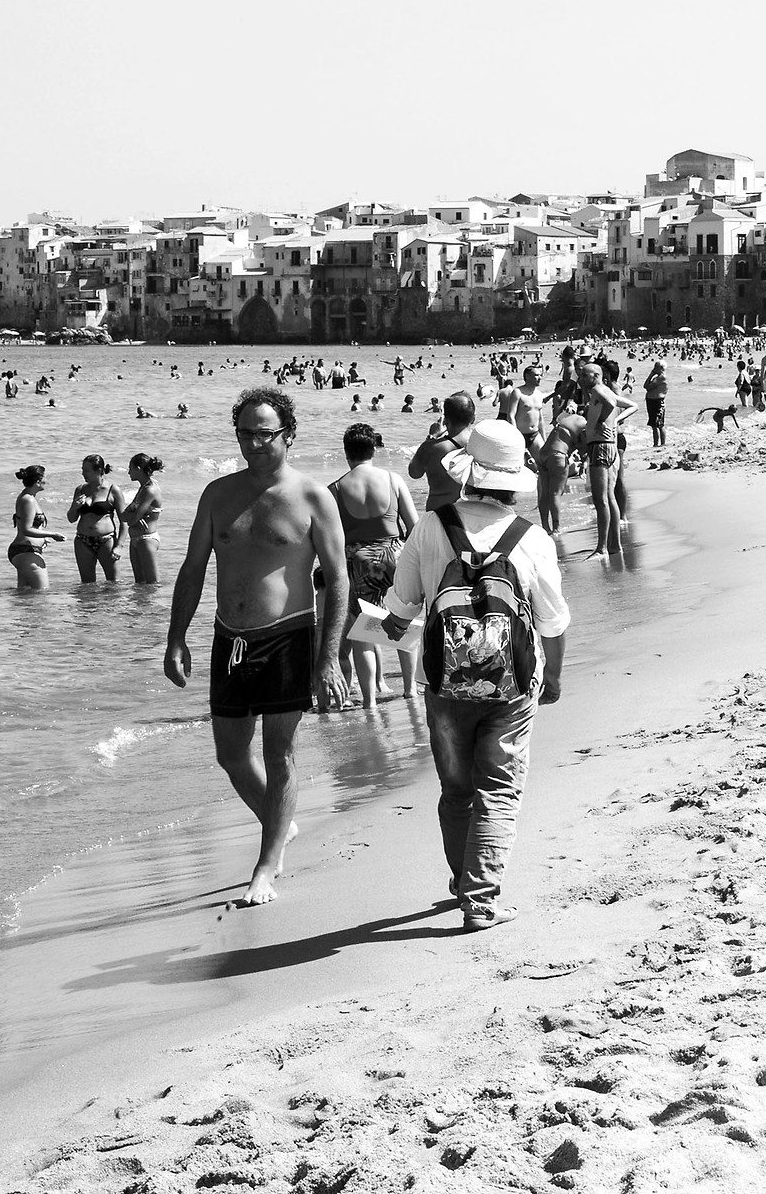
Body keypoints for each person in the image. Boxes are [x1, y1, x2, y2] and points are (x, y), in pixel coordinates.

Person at [163, 388, 350, 907]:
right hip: (230, 639)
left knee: (280, 751)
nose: (254, 442)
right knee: (230, 754)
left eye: (265, 433)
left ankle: (266, 867)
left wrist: (328, 658)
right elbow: (193, 568)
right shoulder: (217, 495)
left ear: (288, 434)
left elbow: (338, 581)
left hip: (288, 635)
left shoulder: (313, 497)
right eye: (245, 432)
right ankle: (278, 820)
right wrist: (176, 637)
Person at [381, 420, 569, 932]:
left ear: (467, 476)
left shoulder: (429, 526)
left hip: (443, 684)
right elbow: (552, 621)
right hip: (512, 684)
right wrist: (551, 677)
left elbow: (400, 607)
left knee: (457, 789)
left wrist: (391, 622)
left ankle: (464, 879)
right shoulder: (532, 539)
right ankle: (480, 899)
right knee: (500, 789)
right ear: (514, 482)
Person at [329, 423, 417, 707]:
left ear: (346, 452)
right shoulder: (393, 480)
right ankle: (410, 690)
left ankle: (368, 702)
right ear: (374, 449)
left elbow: (331, 537)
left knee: (362, 633)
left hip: (357, 561)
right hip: (394, 553)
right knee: (402, 623)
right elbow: (414, 525)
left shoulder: (336, 488)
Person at [576, 361, 635, 557]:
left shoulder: (599, 391)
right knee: (608, 497)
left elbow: (611, 405)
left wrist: (602, 420)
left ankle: (602, 548)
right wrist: (616, 421)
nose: (581, 378)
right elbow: (633, 405)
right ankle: (614, 545)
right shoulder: (606, 390)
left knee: (600, 499)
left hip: (601, 446)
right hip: (607, 445)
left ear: (596, 376)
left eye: (585, 375)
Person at [412, 391, 476, 511]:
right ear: (473, 418)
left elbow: (414, 473)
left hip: (439, 517)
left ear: (445, 420)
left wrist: (431, 437)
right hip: (474, 515)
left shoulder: (431, 448)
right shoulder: (483, 445)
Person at [67, 454, 123, 583]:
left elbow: (123, 521)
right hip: (83, 540)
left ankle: (112, 604)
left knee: (114, 584)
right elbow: (71, 518)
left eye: (86, 470)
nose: (83, 474)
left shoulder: (113, 490)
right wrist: (75, 506)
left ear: (98, 471)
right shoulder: (80, 489)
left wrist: (119, 546)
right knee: (87, 585)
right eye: (82, 470)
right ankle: (90, 604)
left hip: (106, 540)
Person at [8, 465, 63, 590]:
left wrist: (43, 539)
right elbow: (26, 529)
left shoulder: (28, 497)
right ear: (38, 481)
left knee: (25, 596)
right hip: (26, 551)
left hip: (24, 551)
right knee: (42, 593)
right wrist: (52, 534)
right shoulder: (28, 499)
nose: (47, 481)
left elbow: (31, 526)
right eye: (45, 478)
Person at [537, 408, 585, 532]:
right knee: (555, 493)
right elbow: (583, 448)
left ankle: (545, 527)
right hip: (558, 456)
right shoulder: (584, 424)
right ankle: (556, 529)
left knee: (545, 493)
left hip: (542, 454)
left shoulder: (567, 419)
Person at [122, 453, 165, 584]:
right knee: (139, 585)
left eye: (130, 468)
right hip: (135, 539)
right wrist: (135, 517)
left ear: (139, 469)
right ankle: (142, 605)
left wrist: (134, 517)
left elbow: (132, 519)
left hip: (147, 539)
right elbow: (124, 516)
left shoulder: (150, 490)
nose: (129, 472)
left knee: (152, 584)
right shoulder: (143, 488)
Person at [644, 360, 669, 446]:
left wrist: (651, 374)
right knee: (653, 424)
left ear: (661, 368)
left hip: (657, 402)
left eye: (656, 367)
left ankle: (662, 444)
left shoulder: (661, 377)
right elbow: (645, 385)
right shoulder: (657, 377)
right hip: (652, 401)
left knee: (659, 424)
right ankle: (656, 444)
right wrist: (652, 374)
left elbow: (647, 386)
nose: (654, 369)